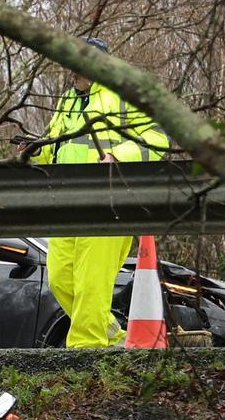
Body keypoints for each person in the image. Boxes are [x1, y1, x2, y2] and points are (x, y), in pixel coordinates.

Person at [31, 36, 169, 348]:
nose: (71, 70)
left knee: (91, 282)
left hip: (110, 204)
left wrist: (118, 156)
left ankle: (86, 351)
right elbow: (56, 147)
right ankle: (112, 337)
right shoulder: (68, 100)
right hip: (68, 204)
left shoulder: (125, 94)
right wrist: (35, 150)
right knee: (60, 279)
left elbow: (158, 140)